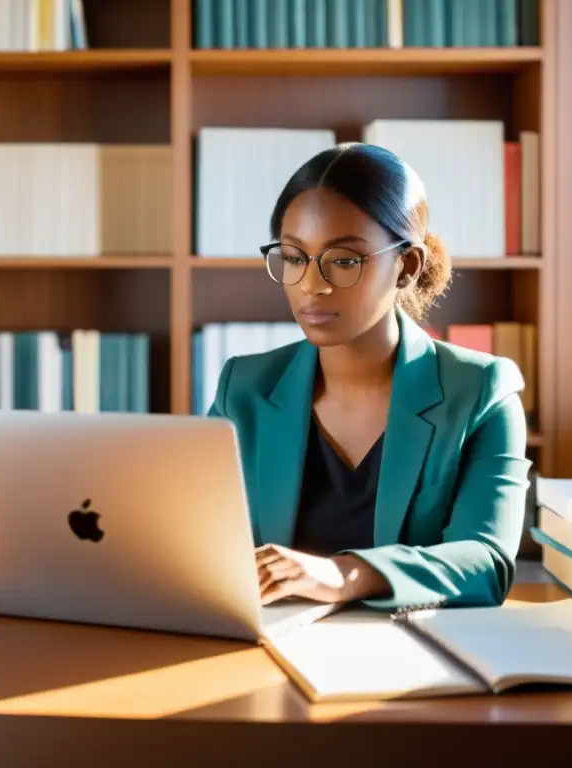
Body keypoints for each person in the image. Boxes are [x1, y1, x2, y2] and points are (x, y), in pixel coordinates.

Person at [206, 142, 532, 613]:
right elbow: (192, 537)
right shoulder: (245, 389)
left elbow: (486, 563)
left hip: (416, 658)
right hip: (272, 649)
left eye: (343, 261)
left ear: (407, 265)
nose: (311, 285)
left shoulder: (481, 392)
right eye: (295, 258)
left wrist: (344, 575)